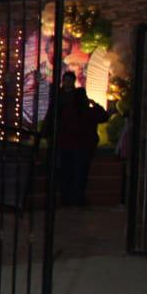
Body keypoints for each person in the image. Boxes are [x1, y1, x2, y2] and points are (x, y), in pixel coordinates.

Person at [46, 71, 109, 207]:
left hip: (68, 145)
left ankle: (67, 198)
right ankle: (77, 198)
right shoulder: (87, 112)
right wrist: (95, 104)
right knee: (79, 173)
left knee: (67, 172)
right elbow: (104, 116)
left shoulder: (67, 110)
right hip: (82, 147)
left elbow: (55, 120)